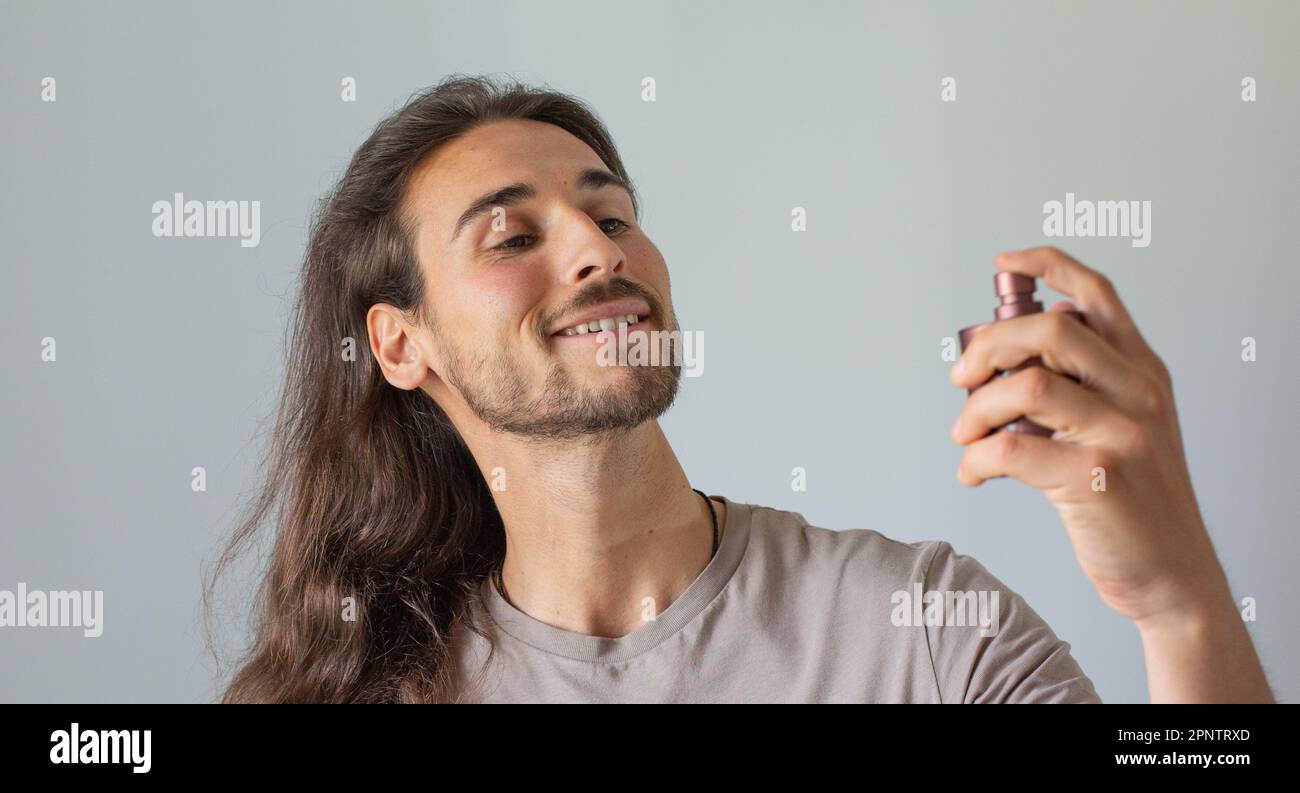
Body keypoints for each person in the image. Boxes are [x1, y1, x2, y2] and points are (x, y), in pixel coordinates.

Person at [214, 74, 1273, 703]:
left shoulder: (922, 635)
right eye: (514, 234)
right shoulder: (372, 689)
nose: (596, 245)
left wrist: (1177, 603)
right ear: (401, 346)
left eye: (613, 214)